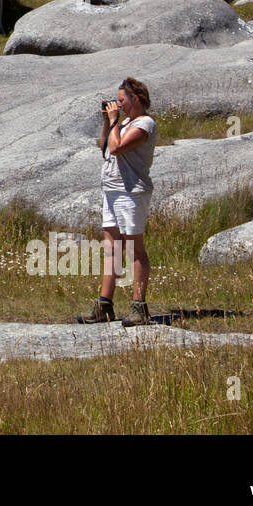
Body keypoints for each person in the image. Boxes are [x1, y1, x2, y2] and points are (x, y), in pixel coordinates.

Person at [76, 77, 156, 327]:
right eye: (117, 102)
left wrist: (113, 122)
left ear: (136, 99)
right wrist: (106, 123)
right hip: (111, 191)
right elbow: (106, 147)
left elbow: (119, 147)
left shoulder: (145, 124)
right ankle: (104, 304)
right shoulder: (124, 123)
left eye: (122, 100)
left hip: (131, 192)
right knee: (112, 249)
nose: (118, 105)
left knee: (135, 249)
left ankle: (139, 307)